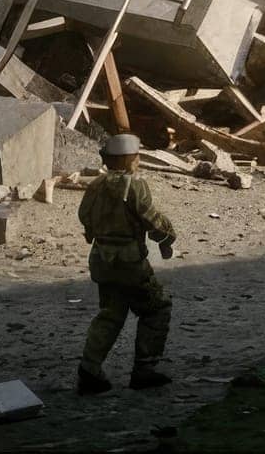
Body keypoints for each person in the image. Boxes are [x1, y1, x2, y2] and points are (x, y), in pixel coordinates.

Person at [76, 133, 177, 394]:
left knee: (110, 314)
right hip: (130, 262)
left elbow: (84, 217)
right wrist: (167, 237)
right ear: (129, 159)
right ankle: (144, 370)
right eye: (137, 157)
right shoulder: (134, 186)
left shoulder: (95, 185)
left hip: (101, 260)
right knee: (157, 308)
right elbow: (150, 218)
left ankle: (89, 370)